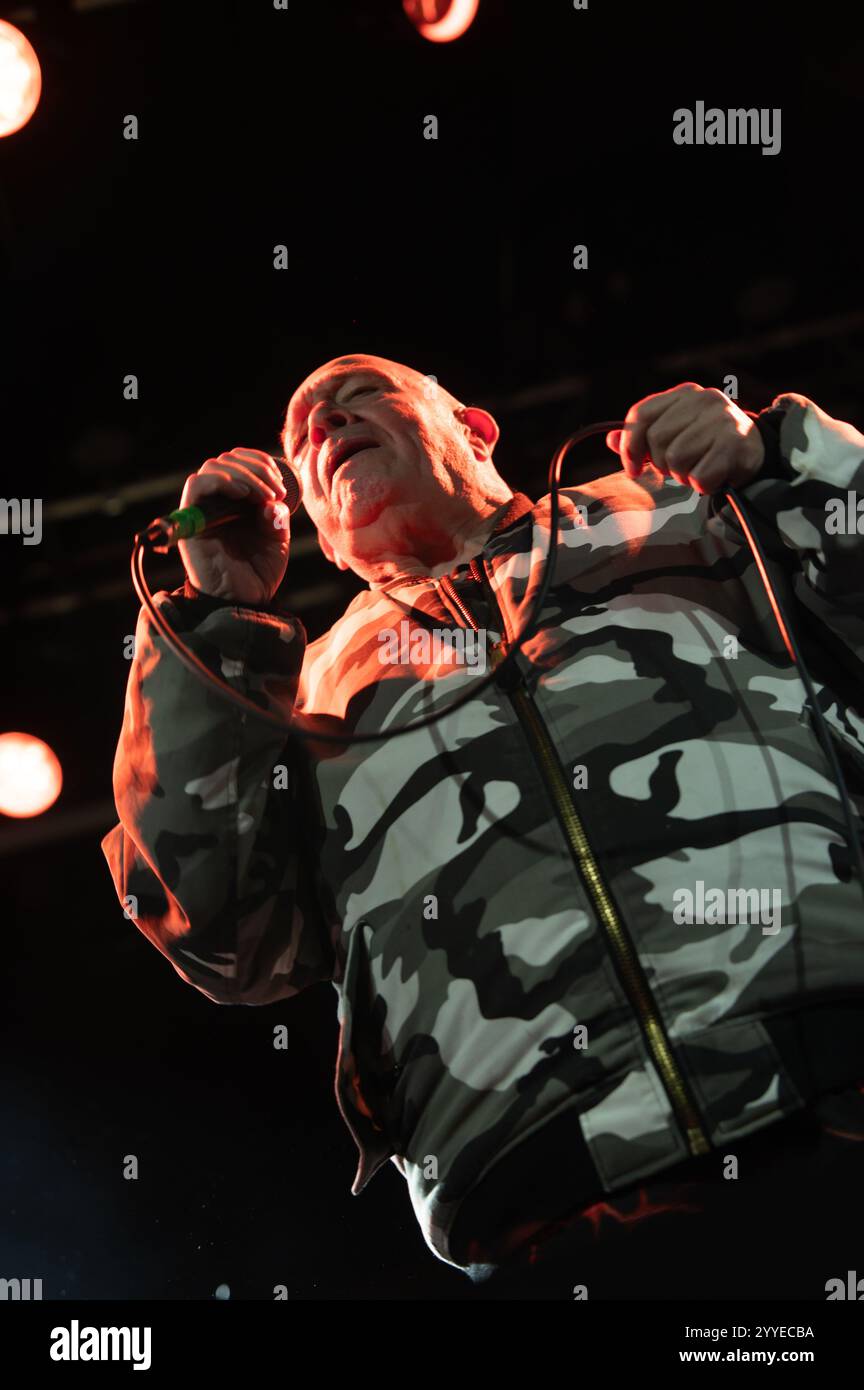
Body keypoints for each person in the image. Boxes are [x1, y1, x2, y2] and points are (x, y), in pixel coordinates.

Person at [102, 354, 864, 1296]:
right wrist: (214, 620)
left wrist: (779, 454)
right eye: (301, 439)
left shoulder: (676, 508)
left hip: (831, 1078)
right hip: (546, 1196)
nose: (320, 426)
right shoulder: (288, 704)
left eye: (357, 396)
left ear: (474, 428)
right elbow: (223, 942)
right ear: (322, 539)